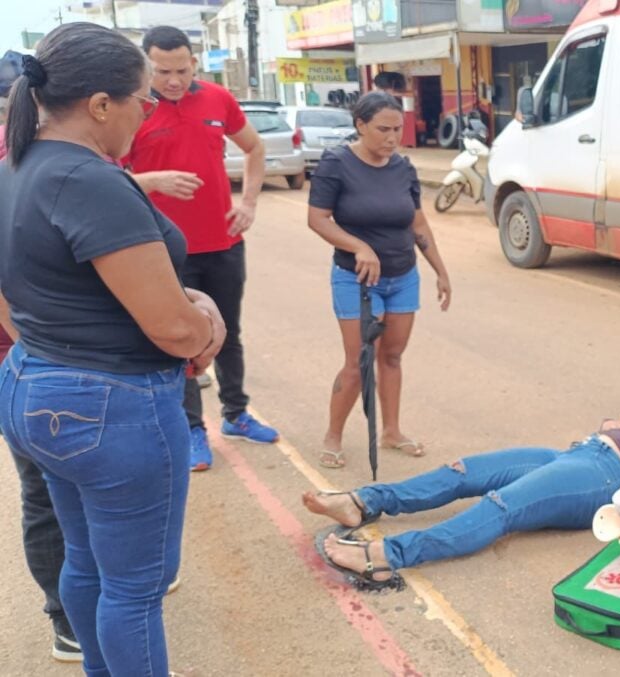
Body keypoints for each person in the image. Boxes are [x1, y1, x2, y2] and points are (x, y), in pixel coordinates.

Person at [0, 22, 226, 675]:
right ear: (101, 104)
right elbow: (175, 331)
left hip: (33, 384)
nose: (148, 111)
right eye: (142, 99)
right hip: (111, 405)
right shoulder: (89, 180)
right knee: (134, 590)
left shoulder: (16, 165)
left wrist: (49, 340)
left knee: (87, 562)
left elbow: (11, 298)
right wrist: (206, 320)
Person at [124, 25, 276, 473]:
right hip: (163, 248)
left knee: (226, 331)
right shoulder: (132, 108)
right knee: (182, 339)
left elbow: (254, 148)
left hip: (223, 242)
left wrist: (247, 202)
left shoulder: (216, 100)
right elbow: (102, 176)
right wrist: (151, 181)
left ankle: (237, 414)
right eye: (163, 71)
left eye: (182, 69)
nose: (173, 80)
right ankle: (193, 429)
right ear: (148, 67)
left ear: (194, 61)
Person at [305, 412, 620, 587]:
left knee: (500, 505)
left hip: (603, 477)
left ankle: (387, 556)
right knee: (461, 471)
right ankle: (363, 502)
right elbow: (612, 421)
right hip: (577, 453)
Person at [307, 91, 452, 469]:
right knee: (358, 360)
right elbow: (318, 219)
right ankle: (333, 435)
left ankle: (392, 431)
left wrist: (440, 269)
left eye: (397, 129)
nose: (392, 138)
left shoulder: (403, 168)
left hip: (402, 276)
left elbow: (417, 223)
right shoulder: (336, 164)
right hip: (355, 279)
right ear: (360, 125)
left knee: (392, 355)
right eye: (383, 129)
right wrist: (359, 246)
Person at [0, 49, 81, 664]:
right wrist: (32, 342)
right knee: (46, 489)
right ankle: (66, 611)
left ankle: (93, 593)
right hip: (25, 355)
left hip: (47, 351)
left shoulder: (53, 157)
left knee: (71, 485)